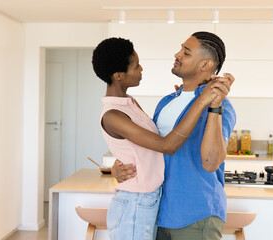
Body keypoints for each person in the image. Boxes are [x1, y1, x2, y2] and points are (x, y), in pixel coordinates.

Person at [92, 37, 233, 240]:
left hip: (195, 215)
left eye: (186, 52)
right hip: (160, 213)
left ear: (206, 64)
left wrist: (212, 104)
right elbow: (154, 146)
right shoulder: (167, 102)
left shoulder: (219, 105)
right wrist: (120, 166)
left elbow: (211, 162)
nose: (177, 54)